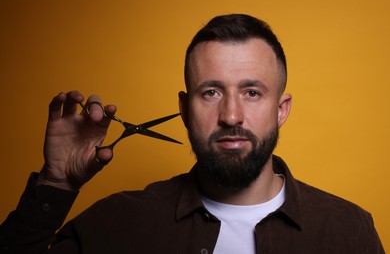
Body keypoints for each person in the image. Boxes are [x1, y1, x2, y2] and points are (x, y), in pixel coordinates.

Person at [0, 14, 384, 254]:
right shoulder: (118, 223)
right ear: (184, 110)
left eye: (252, 92)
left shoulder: (348, 231)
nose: (231, 115)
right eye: (211, 92)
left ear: (280, 110)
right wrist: (56, 185)